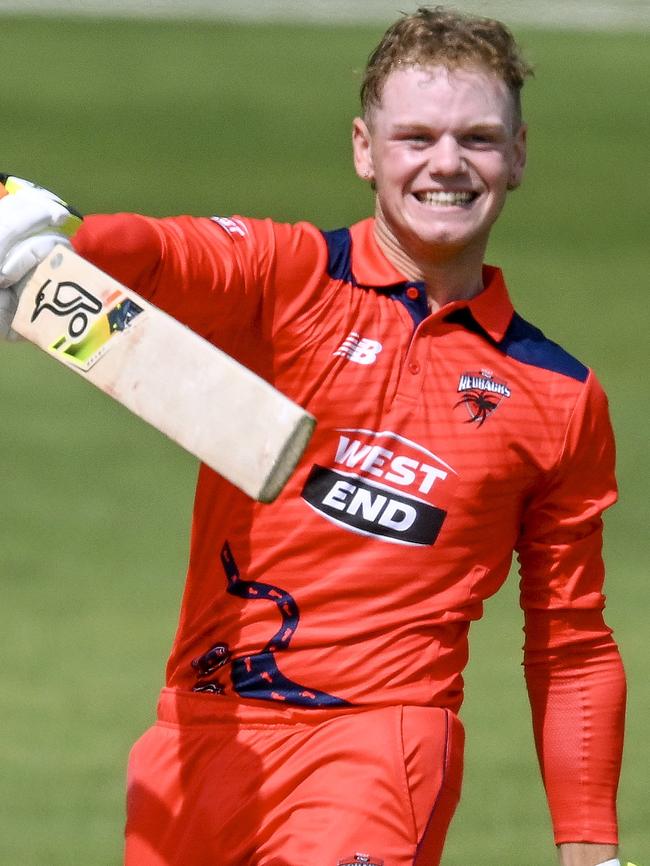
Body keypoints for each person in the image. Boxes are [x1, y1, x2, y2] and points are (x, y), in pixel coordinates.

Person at [0, 7, 629, 866]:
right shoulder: (289, 277)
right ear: (365, 150)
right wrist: (46, 246)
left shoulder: (558, 395)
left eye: (477, 138)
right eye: (416, 136)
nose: (446, 163)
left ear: (518, 155)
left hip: (377, 751)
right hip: (199, 730)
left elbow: (570, 637)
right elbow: (142, 252)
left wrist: (589, 846)